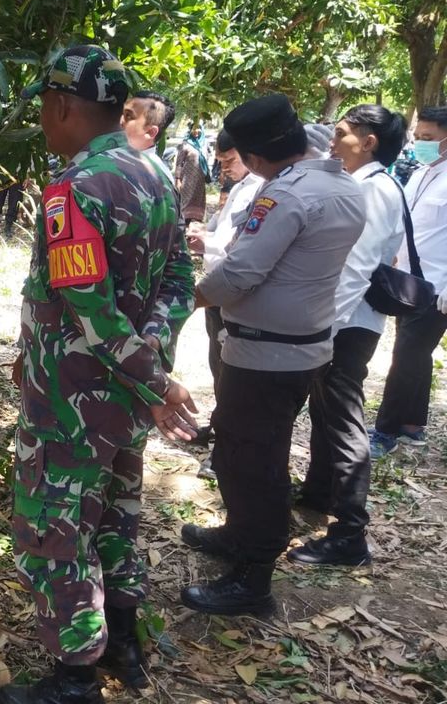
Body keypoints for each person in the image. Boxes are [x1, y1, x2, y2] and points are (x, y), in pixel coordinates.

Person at [0, 45, 197, 704]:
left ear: (61, 107)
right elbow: (178, 278)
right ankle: (126, 643)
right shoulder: (156, 172)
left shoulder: (74, 187)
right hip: (124, 403)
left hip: (71, 402)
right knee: (116, 515)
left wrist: (157, 381)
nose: (43, 123)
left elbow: (90, 307)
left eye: (43, 111)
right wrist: (154, 364)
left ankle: (74, 678)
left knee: (57, 530)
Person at [182, 94, 365, 616]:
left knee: (251, 462)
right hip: (303, 348)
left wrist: (187, 298)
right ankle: (240, 536)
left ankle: (253, 578)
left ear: (256, 156)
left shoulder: (284, 196)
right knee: (251, 453)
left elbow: (240, 273)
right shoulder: (342, 185)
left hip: (263, 356)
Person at [288, 105, 406, 566]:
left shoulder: (374, 191)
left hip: (347, 324)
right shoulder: (361, 185)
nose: (332, 142)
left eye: (340, 134)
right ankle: (319, 493)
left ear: (369, 141)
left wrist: (323, 330)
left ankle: (350, 532)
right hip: (342, 321)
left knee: (342, 420)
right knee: (325, 409)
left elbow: (355, 269)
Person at [369, 105, 447, 457]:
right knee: (416, 354)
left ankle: (384, 431)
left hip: (438, 286)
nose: (420, 145)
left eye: (429, 139)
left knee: (405, 356)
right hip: (409, 281)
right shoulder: (420, 173)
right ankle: (413, 424)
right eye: (418, 138)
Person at [183, 129, 263, 452]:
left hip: (233, 290)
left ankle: (229, 441)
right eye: (220, 162)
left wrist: (209, 242)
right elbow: (222, 228)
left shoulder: (262, 189)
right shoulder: (239, 187)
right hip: (217, 286)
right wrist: (205, 232)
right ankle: (220, 428)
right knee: (218, 363)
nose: (224, 168)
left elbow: (245, 248)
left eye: (229, 161)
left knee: (231, 372)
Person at [120, 90, 176, 160]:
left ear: (150, 132)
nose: (120, 120)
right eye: (121, 113)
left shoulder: (149, 170)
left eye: (128, 116)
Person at [173, 122, 208, 225]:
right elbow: (179, 163)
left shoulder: (203, 144)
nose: (196, 131)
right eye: (194, 129)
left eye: (198, 129)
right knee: (186, 200)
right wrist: (177, 178)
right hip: (188, 180)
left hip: (200, 181)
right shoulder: (185, 144)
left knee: (198, 200)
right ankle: (183, 222)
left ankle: (195, 221)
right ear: (190, 130)